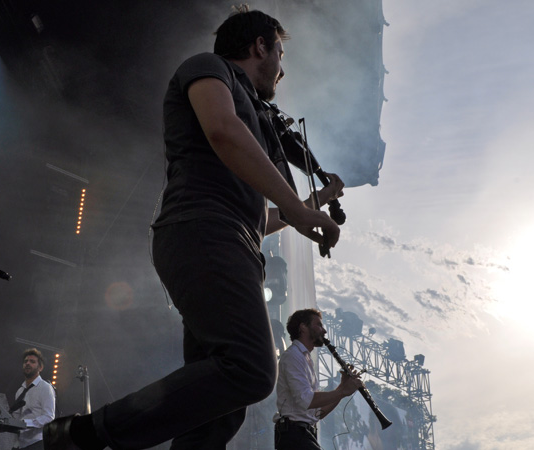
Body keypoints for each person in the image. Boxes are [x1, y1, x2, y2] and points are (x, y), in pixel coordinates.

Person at [44, 5, 344, 450]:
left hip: (230, 239)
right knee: (251, 368)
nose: (282, 70)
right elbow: (222, 130)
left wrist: (314, 204)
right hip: (202, 229)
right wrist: (299, 212)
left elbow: (260, 220)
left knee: (217, 412)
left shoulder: (256, 124)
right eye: (279, 52)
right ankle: (83, 434)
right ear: (259, 45)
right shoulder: (208, 67)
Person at [274, 309, 363, 450]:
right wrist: (343, 391)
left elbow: (318, 413)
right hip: (293, 435)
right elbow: (306, 400)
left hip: (304, 434)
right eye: (319, 325)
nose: (324, 331)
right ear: (303, 327)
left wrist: (341, 388)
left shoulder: (305, 358)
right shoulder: (293, 356)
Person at [10, 348, 56, 450]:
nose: (28, 363)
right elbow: (16, 417)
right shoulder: (19, 391)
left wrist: (26, 423)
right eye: (25, 361)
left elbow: (49, 417)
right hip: (19, 444)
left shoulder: (45, 388)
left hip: (37, 442)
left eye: (32, 361)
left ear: (40, 367)